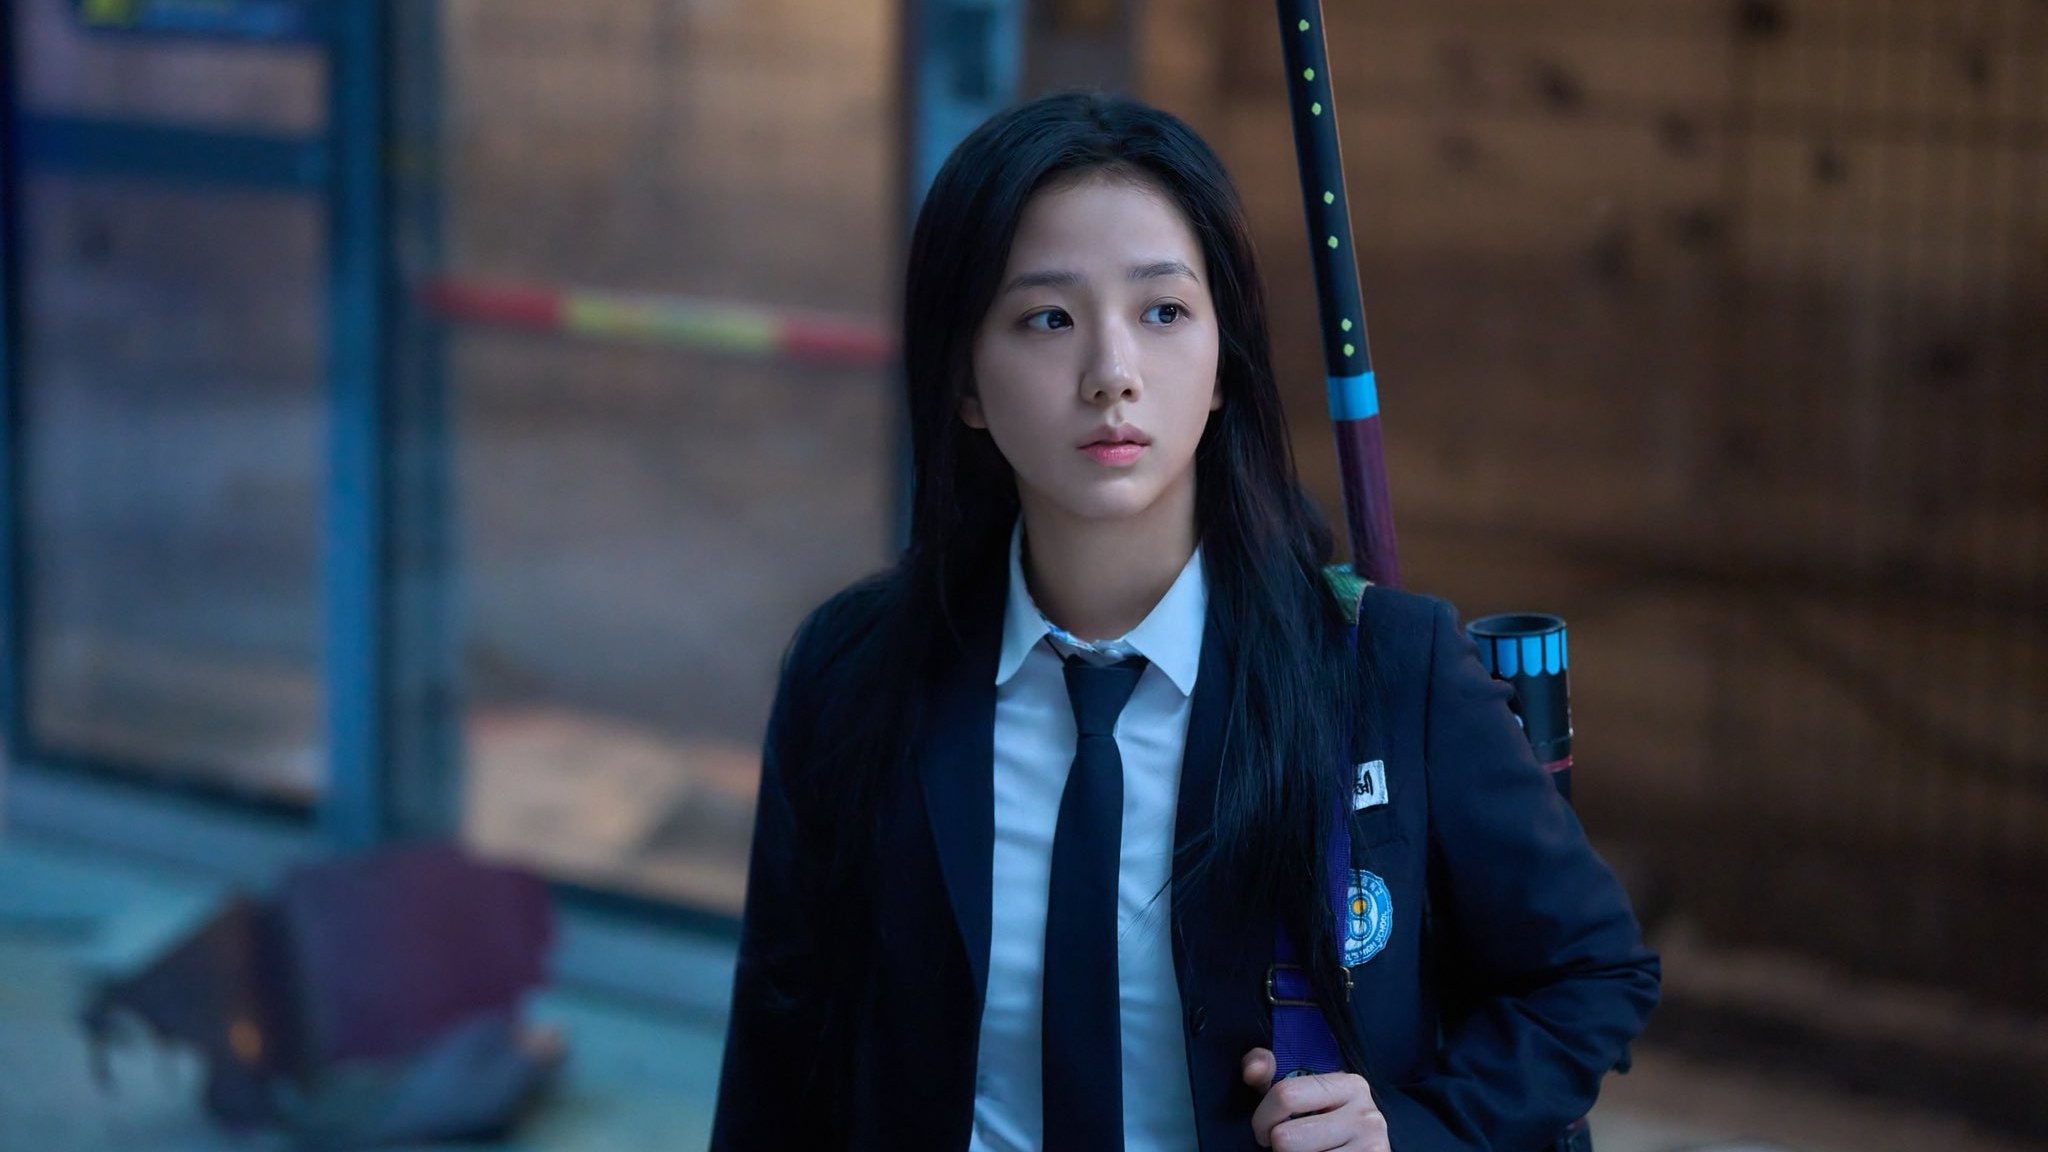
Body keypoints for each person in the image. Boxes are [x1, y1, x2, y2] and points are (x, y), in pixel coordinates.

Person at [710, 90, 1658, 1152]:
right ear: (963, 380)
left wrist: (1410, 1131)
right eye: (1047, 318)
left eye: (1162, 312)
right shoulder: (853, 674)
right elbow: (777, 1061)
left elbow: (1591, 972)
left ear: (1221, 367)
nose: (1111, 374)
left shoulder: (1387, 665)